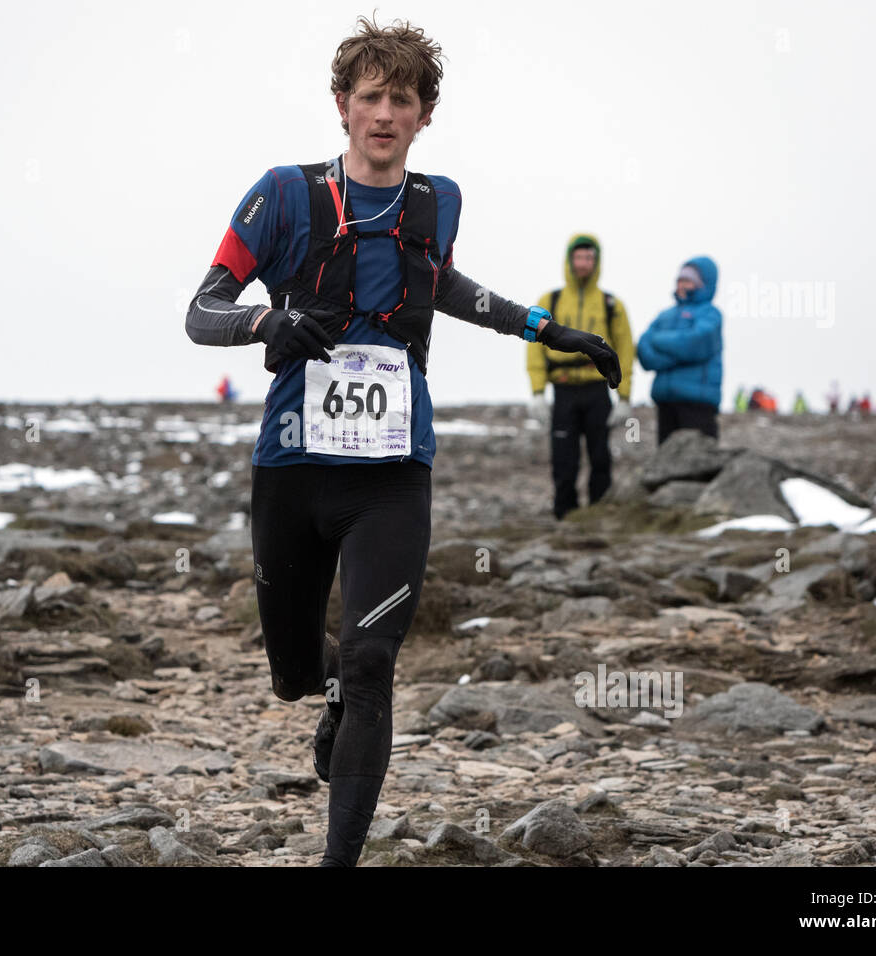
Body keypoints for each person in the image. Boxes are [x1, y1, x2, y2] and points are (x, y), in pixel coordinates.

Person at [183, 15, 619, 868]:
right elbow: (201, 310)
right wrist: (264, 321)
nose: (386, 113)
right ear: (342, 105)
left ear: (426, 115)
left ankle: (338, 861)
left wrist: (547, 327)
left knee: (378, 658)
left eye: (404, 99)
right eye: (372, 96)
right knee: (296, 672)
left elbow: (441, 281)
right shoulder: (284, 194)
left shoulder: (436, 201)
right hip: (292, 468)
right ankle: (330, 687)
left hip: (393, 470)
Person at [525, 234, 634, 518]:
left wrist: (624, 397)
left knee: (600, 456)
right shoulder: (550, 300)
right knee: (564, 457)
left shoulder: (612, 305)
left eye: (589, 258)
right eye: (579, 257)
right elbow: (534, 349)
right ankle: (565, 515)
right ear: (569, 261)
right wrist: (537, 393)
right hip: (562, 392)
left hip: (598, 390)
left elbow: (625, 349)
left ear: (596, 262)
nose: (584, 263)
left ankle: (599, 515)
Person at [636, 257, 722, 443]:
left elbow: (694, 344)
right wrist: (679, 353)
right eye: (680, 279)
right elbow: (643, 349)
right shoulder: (664, 315)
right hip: (665, 403)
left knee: (700, 464)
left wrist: (659, 341)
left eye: (689, 280)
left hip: (698, 405)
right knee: (667, 463)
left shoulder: (711, 314)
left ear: (704, 284)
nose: (682, 284)